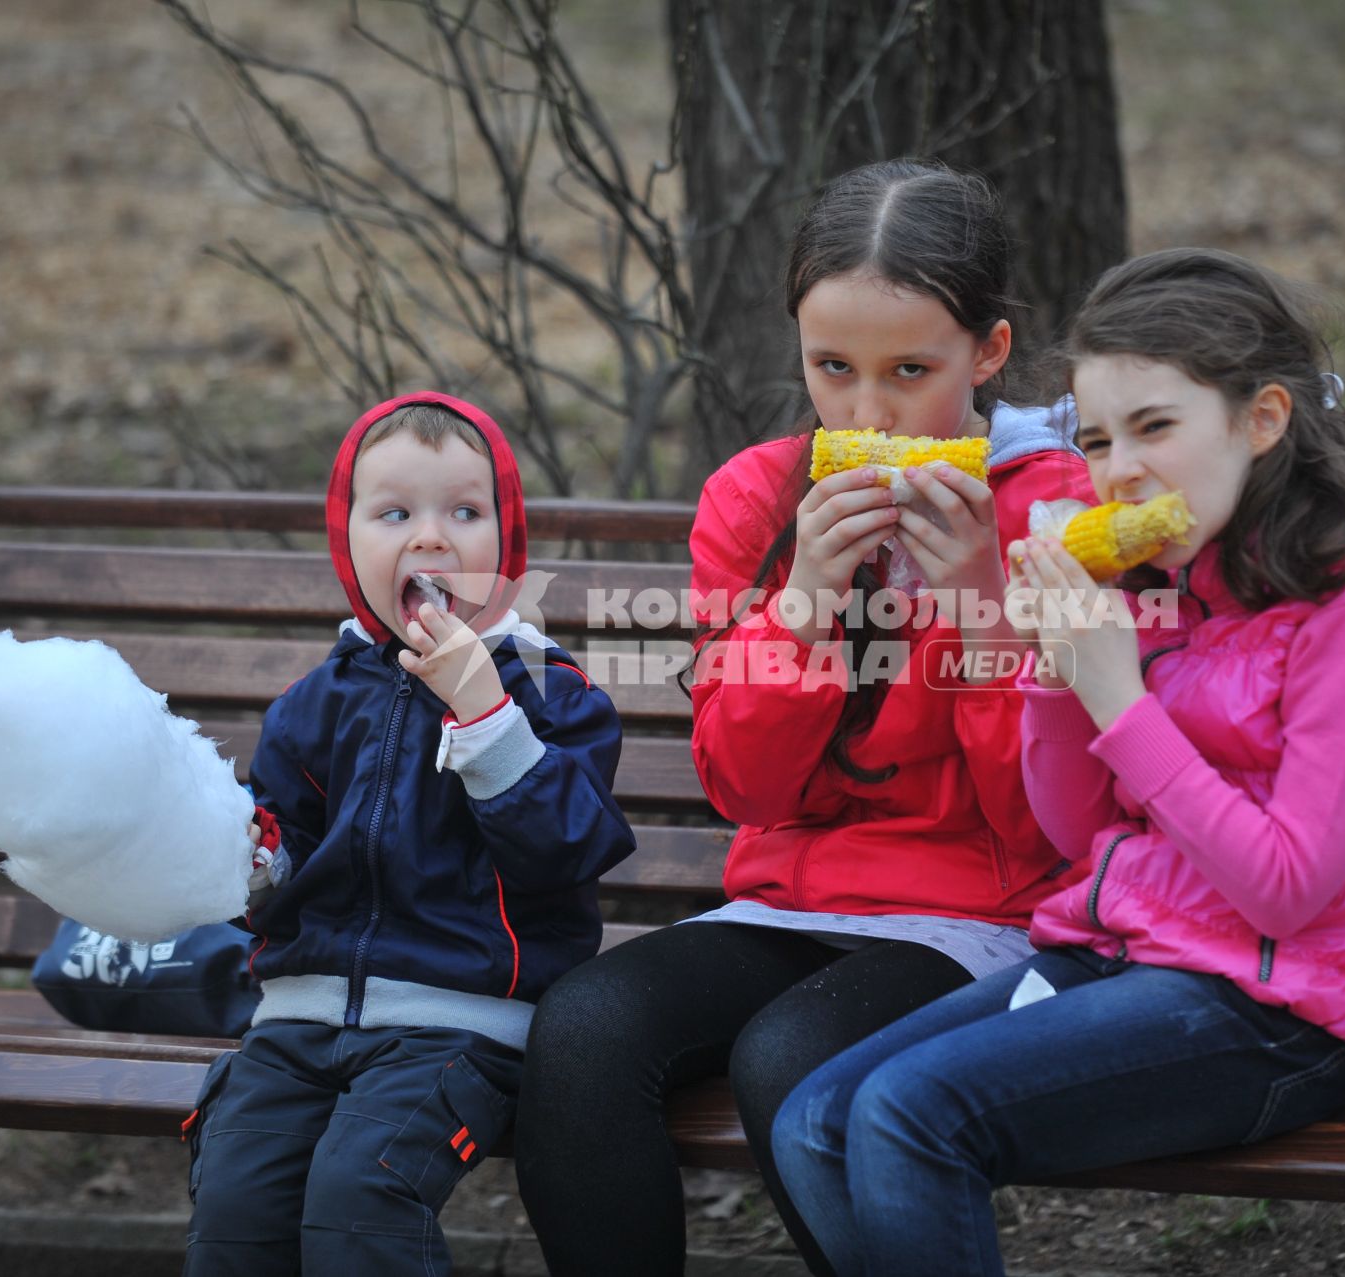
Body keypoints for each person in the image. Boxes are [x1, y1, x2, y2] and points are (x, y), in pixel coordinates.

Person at [769, 247, 1345, 1277]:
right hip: (1136, 952)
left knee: (907, 1114)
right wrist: (1057, 667)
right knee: (815, 1119)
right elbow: (1081, 833)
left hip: (1298, 1007)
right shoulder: (1182, 572)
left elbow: (1289, 888)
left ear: (1263, 418)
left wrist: (1118, 691)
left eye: (1156, 427)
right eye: (1099, 438)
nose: (1119, 470)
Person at [512, 158, 1095, 1275]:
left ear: (990, 352)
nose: (867, 413)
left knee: (793, 1060)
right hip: (791, 897)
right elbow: (747, 789)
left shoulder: (1056, 508)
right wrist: (803, 611)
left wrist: (977, 597)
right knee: (581, 1030)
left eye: (909, 371)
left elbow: (1043, 826)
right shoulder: (752, 498)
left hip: (993, 910)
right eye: (833, 369)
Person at [181, 392, 637, 1276]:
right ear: (348, 545)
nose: (431, 538)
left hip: (458, 1025)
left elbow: (568, 854)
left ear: (506, 545)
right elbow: (278, 875)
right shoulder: (312, 704)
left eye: (464, 513)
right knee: (234, 1205)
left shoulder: (552, 693)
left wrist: (486, 713)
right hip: (297, 1019)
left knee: (361, 1196)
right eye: (395, 513)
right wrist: (254, 863)